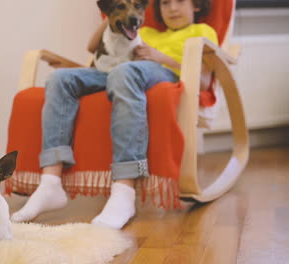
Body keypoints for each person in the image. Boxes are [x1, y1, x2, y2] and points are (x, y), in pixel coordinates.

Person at [11, 0, 218, 229]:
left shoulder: (202, 32)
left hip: (164, 73)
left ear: (197, 6)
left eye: (180, 1)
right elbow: (92, 48)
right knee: (60, 79)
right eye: (165, 3)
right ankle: (50, 183)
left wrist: (159, 57)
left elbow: (205, 79)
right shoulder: (144, 31)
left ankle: (124, 191)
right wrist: (110, 14)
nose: (172, 8)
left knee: (123, 72)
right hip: (120, 74)